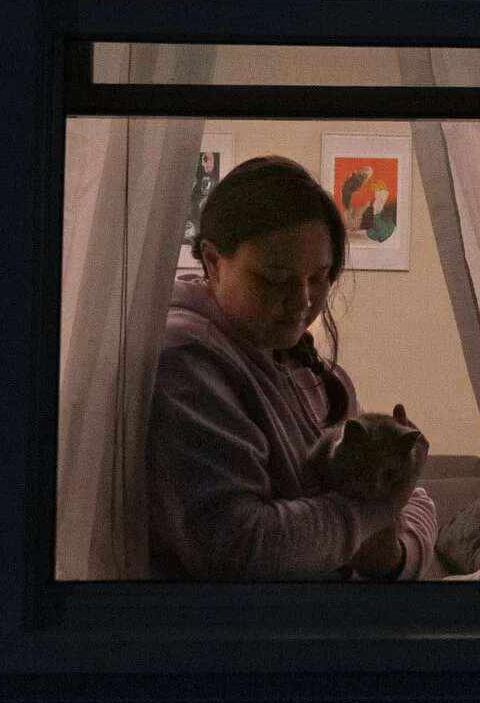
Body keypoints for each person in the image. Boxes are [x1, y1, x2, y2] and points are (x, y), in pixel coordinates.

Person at [147, 154, 437, 580]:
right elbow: (240, 545)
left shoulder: (315, 370)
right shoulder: (185, 361)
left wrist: (393, 556)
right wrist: (377, 511)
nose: (303, 301)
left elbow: (420, 502)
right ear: (212, 261)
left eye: (319, 277)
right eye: (275, 279)